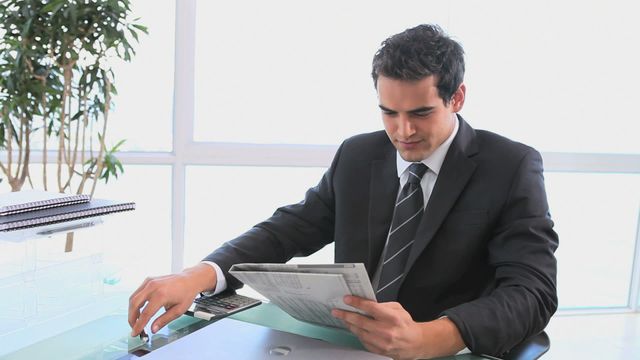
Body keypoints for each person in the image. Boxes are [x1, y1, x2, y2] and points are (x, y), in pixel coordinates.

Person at [129, 24, 558, 359]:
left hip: (439, 349)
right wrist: (197, 275)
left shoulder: (511, 166)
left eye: (421, 113)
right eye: (388, 112)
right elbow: (289, 229)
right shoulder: (358, 155)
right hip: (346, 347)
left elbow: (533, 291)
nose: (402, 131)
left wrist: (431, 338)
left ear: (457, 97)